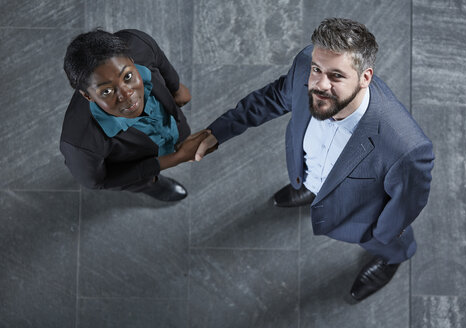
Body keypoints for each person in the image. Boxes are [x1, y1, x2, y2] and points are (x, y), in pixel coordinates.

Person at [195, 18, 434, 301]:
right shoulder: (305, 65)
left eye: (336, 76)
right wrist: (218, 132)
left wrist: (377, 234)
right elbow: (273, 98)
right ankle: (309, 188)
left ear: (365, 78)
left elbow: (405, 206)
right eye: (317, 70)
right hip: (311, 172)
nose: (319, 85)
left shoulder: (407, 149)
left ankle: (393, 258)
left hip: (362, 218)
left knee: (391, 240)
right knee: (311, 181)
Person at [60, 29, 209, 201]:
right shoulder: (79, 143)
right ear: (87, 96)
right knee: (145, 181)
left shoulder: (137, 43)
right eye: (107, 91)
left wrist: (175, 87)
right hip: (135, 163)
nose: (127, 95)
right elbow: (96, 181)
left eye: (128, 76)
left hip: (169, 124)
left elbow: (158, 57)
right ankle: (153, 185)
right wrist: (174, 159)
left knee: (181, 134)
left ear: (131, 61)